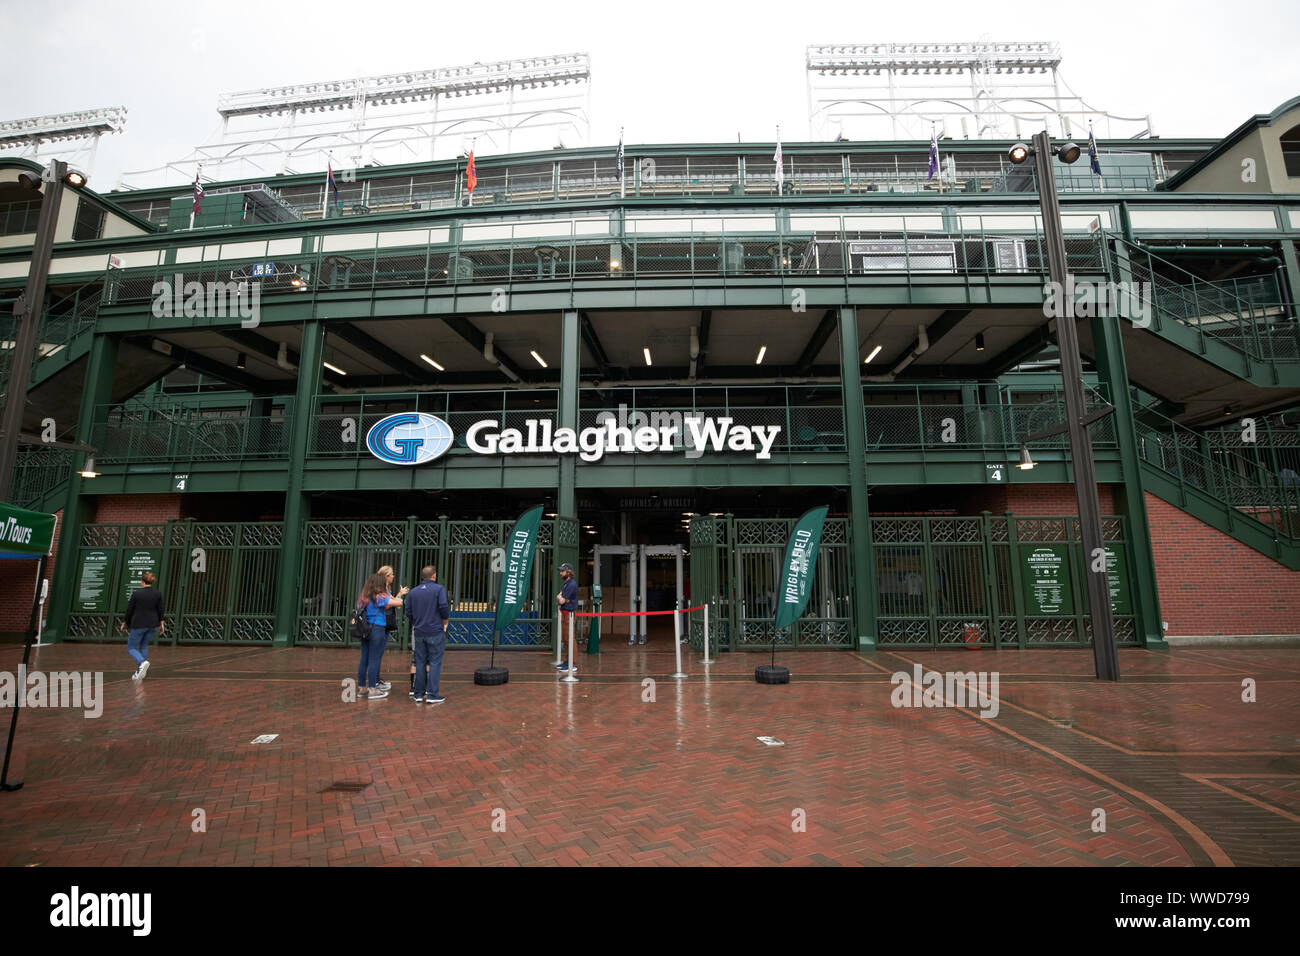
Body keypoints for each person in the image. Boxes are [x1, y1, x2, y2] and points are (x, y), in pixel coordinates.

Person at [356, 571, 408, 699]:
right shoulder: (378, 596)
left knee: (364, 659)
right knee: (374, 659)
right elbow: (398, 603)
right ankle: (373, 689)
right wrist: (400, 596)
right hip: (377, 628)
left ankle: (362, 688)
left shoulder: (363, 596)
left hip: (365, 629)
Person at [404, 565, 450, 705]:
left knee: (420, 662)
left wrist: (416, 622)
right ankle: (432, 694)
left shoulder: (413, 592)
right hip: (435, 630)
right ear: (434, 576)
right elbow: (443, 606)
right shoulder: (439, 589)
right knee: (435, 662)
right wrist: (445, 621)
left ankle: (418, 693)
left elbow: (408, 611)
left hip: (419, 631)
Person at [119, 570, 164, 681]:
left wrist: (125, 622)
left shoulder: (136, 594)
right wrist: (161, 623)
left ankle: (142, 663)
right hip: (153, 624)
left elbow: (130, 610)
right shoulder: (157, 594)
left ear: (142, 582)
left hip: (139, 624)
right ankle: (140, 671)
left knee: (131, 647)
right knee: (143, 646)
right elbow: (160, 610)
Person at [375, 565, 401, 694]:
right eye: (391, 575)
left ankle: (377, 679)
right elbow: (386, 605)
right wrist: (395, 601)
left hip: (385, 623)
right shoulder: (379, 589)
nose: (393, 576)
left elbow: (393, 602)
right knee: (377, 653)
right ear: (386, 576)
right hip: (380, 623)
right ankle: (374, 681)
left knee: (380, 652)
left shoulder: (387, 589)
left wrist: (397, 597)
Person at [554, 562, 579, 673]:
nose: (561, 573)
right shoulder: (567, 584)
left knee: (570, 639)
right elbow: (560, 597)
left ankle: (572, 663)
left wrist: (561, 597)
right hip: (564, 613)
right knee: (565, 638)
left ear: (568, 572)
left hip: (569, 614)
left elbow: (561, 599)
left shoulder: (571, 584)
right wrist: (561, 597)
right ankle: (567, 660)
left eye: (563, 571)